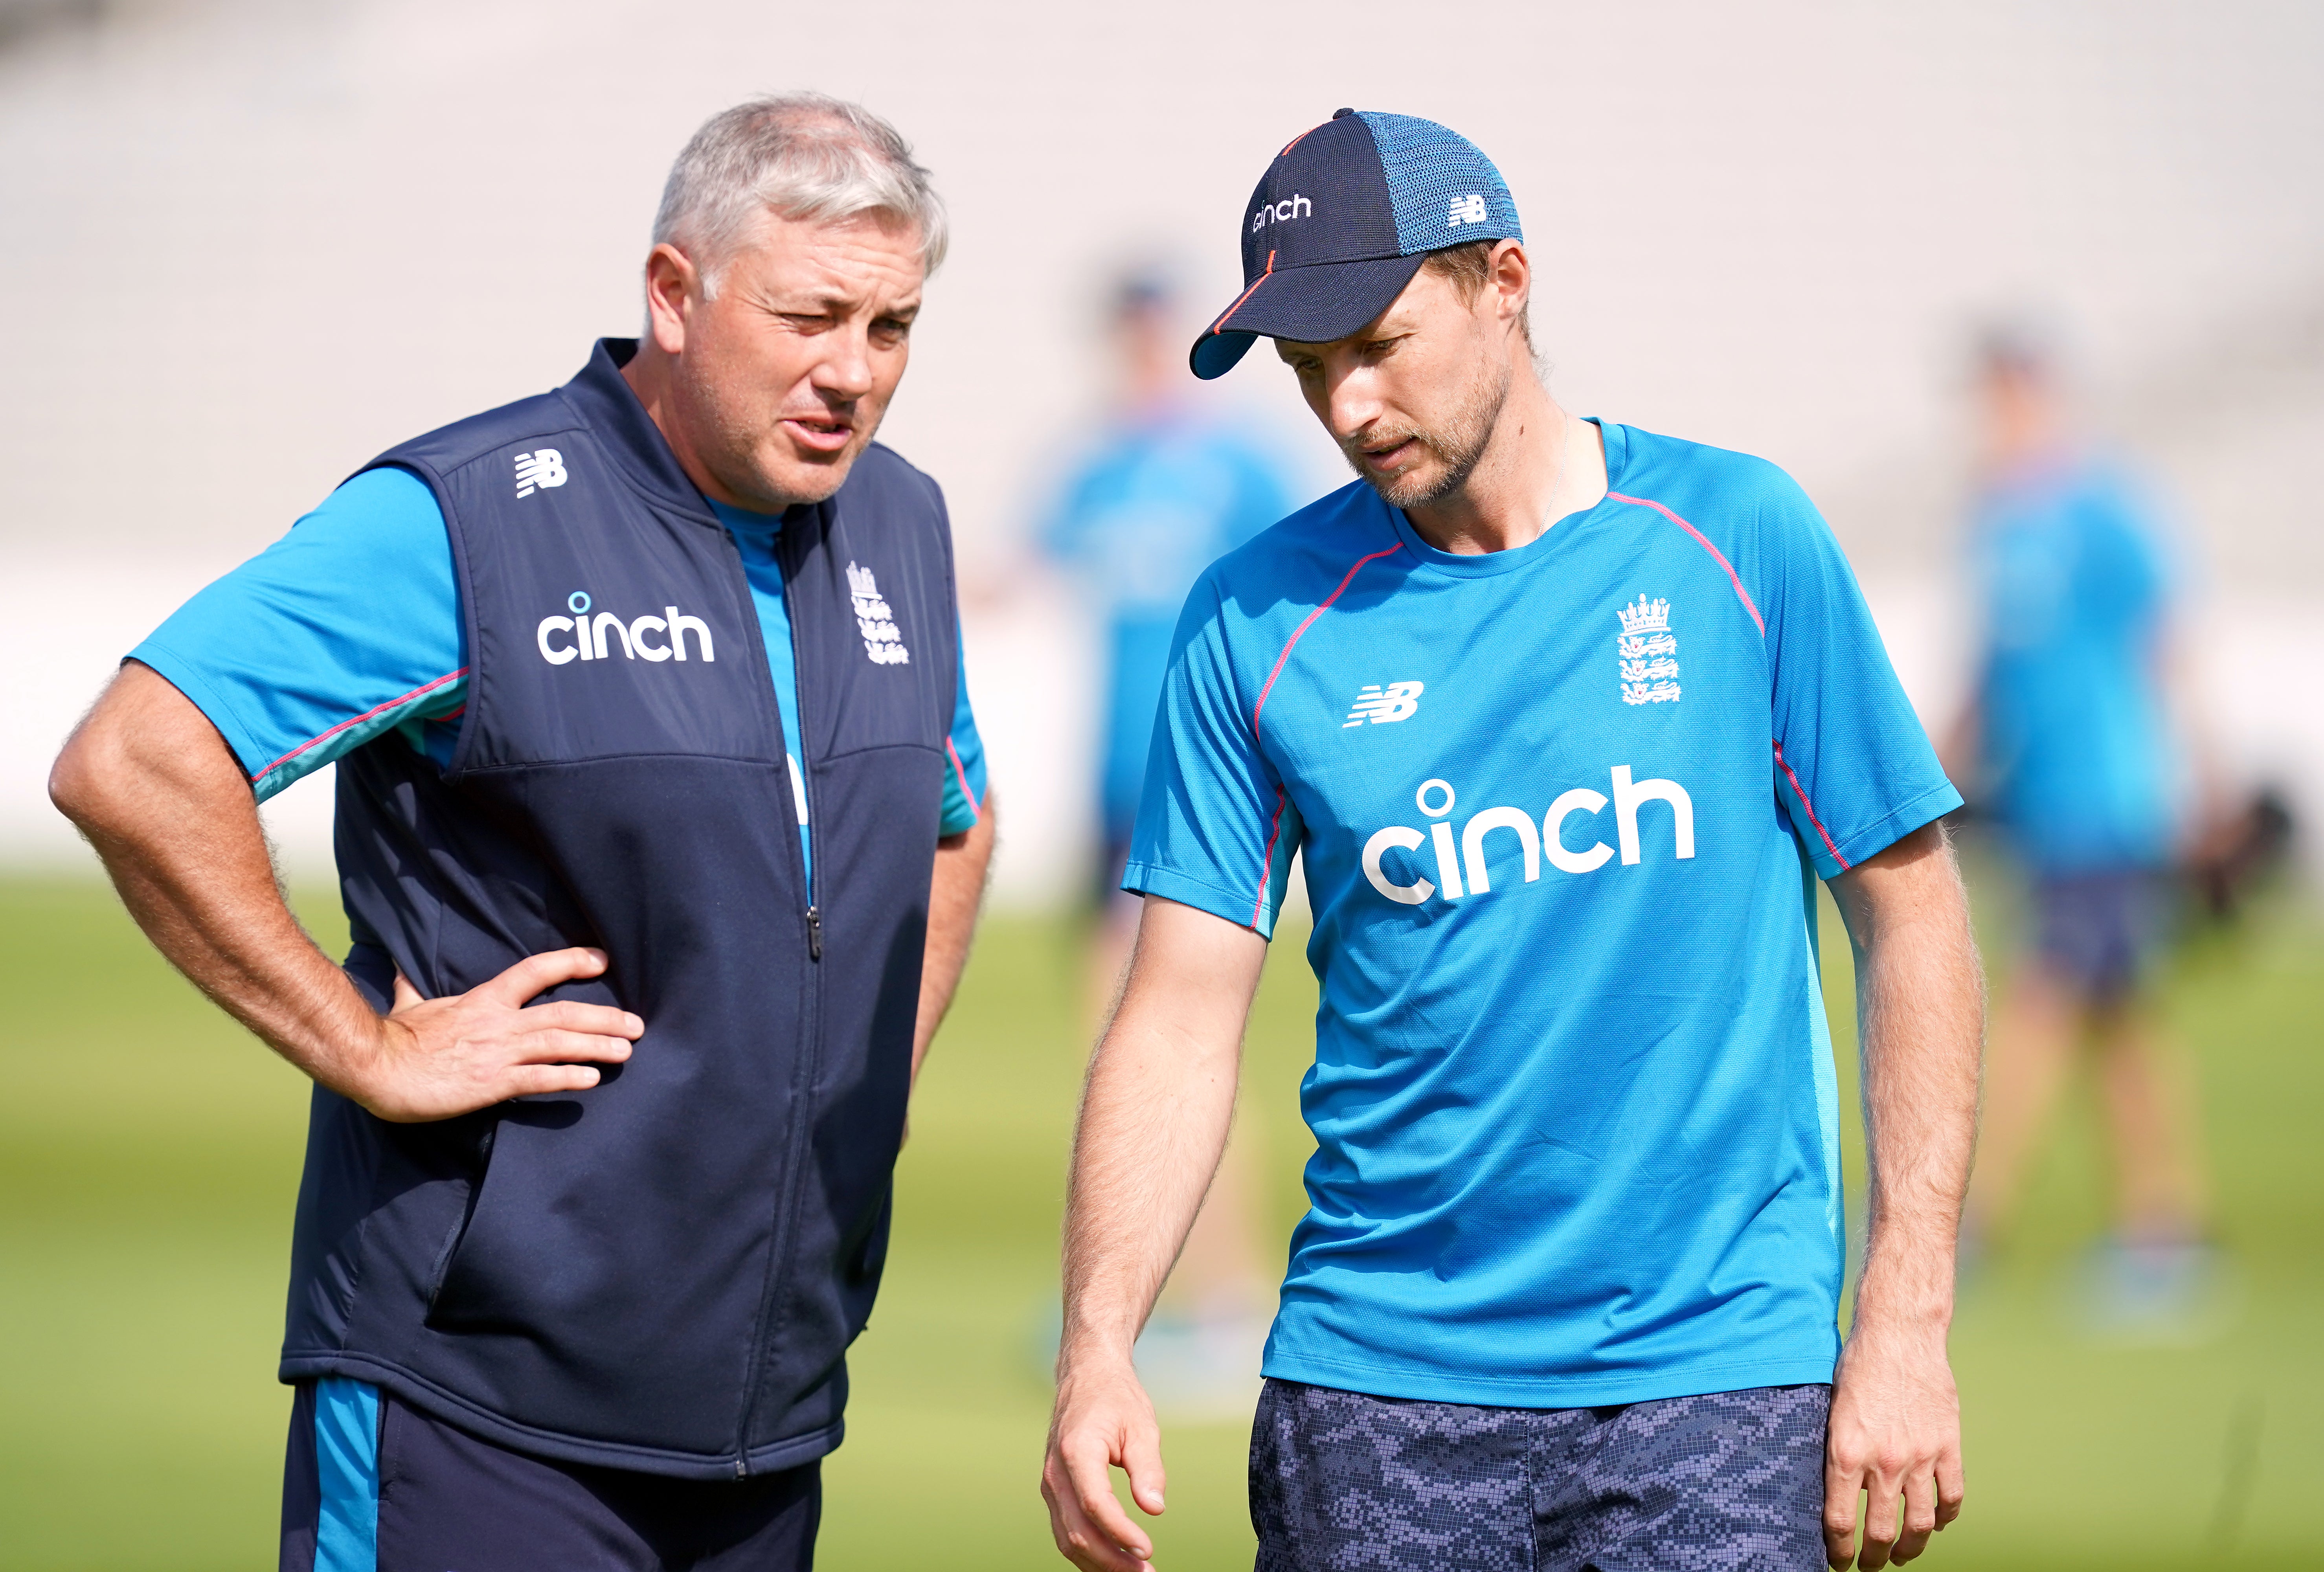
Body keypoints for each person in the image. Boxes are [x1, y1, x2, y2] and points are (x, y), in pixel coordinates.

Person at [50, 94, 994, 1572]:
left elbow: (953, 814)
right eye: (811, 316)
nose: (852, 373)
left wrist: (862, 1084)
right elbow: (136, 758)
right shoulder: (469, 521)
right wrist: (361, 1046)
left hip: (770, 1412)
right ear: (672, 294)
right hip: (474, 1404)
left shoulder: (901, 523)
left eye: (892, 327)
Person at [1038, 110, 1982, 1572]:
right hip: (1373, 1399)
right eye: (1309, 370)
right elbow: (1175, 1015)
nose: (1348, 406)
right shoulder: (1252, 618)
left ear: (1503, 279)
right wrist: (1098, 1344)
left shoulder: (1740, 535)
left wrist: (1906, 1322)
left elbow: (1912, 920)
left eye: (1377, 341)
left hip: (1716, 1386)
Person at [1035, 266, 1295, 1407]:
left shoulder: (1235, 463)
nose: (1136, 351)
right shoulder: (1097, 463)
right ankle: (1157, 1296)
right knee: (1121, 1035)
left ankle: (1223, 1300)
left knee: (1166, 1035)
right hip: (1112, 778)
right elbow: (1030, 566)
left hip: (1195, 777)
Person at [1950, 323, 2215, 1325]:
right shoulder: (1991, 518)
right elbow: (1990, 664)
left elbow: (2164, 641)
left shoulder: (2102, 510)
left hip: (2105, 800)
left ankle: (1973, 1217)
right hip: (2041, 802)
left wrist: (2202, 779)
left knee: (2038, 1003)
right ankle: (2166, 1227)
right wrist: (1939, 757)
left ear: (2041, 396)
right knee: (2118, 1024)